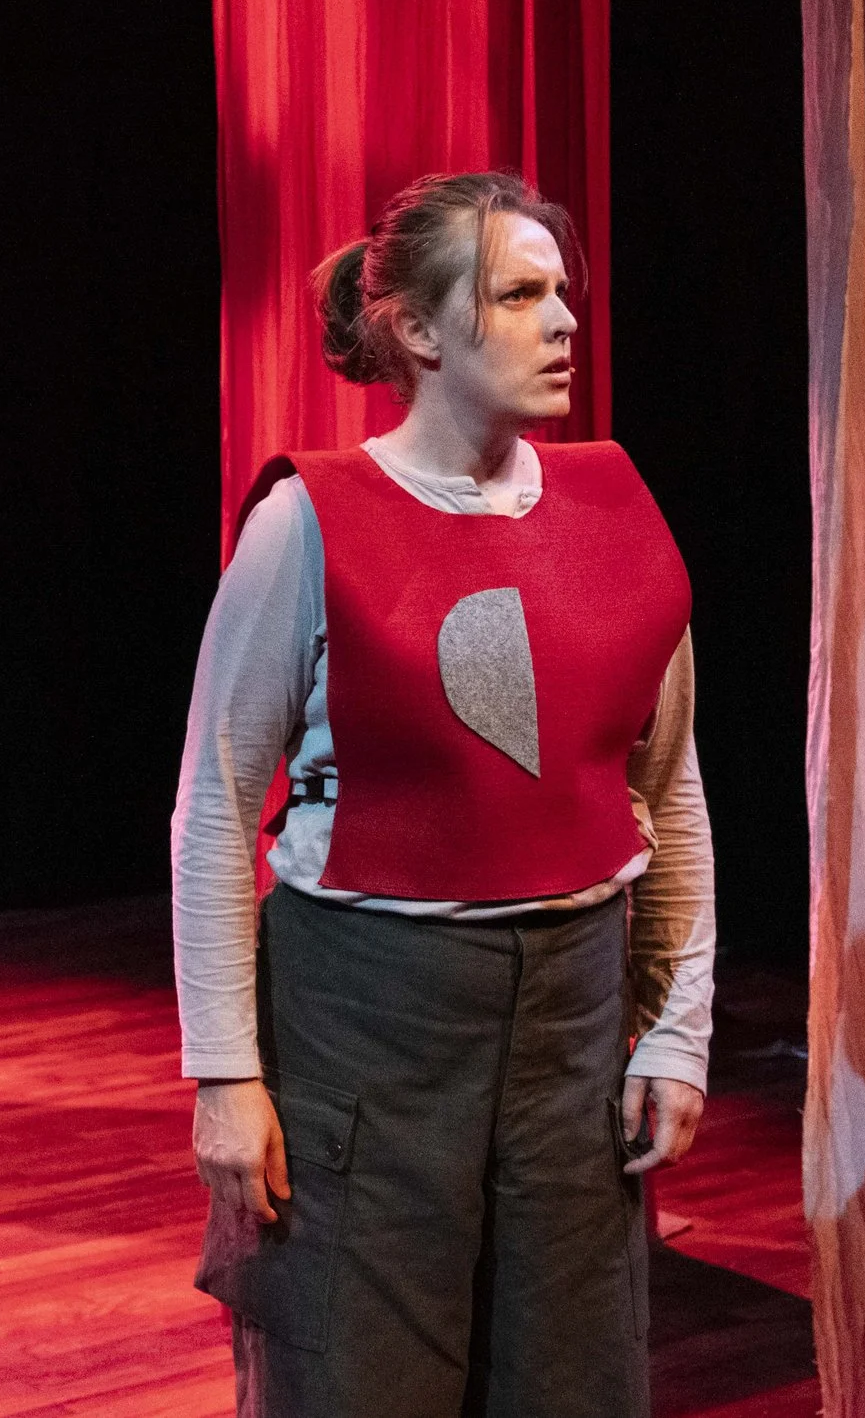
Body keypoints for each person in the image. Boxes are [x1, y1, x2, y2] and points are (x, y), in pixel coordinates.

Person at [171, 171, 717, 1417]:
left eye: (563, 290)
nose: (565, 319)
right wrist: (224, 1072)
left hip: (572, 1030)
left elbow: (667, 793)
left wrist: (675, 1026)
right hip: (368, 1024)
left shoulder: (619, 509)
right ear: (417, 331)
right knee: (363, 1376)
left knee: (568, 1377)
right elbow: (214, 804)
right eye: (521, 294)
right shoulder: (309, 523)